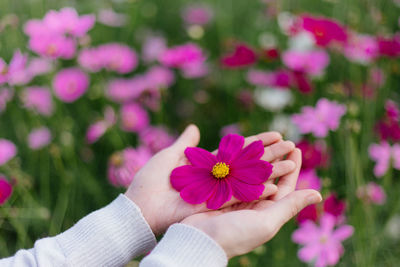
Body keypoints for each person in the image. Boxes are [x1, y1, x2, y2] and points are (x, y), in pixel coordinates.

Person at [0, 125, 322, 267]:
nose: (220, 167)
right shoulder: (211, 173)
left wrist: (132, 217)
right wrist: (199, 249)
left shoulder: (224, 171)